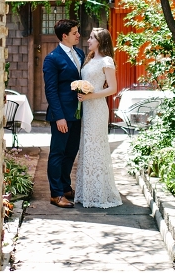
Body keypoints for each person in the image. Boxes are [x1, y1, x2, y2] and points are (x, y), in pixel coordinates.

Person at [74, 28, 122, 208]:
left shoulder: (106, 61)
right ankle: (88, 192)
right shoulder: (88, 59)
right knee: (86, 147)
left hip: (97, 108)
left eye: (92, 38)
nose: (88, 40)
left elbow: (112, 89)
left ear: (100, 41)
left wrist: (90, 96)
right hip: (86, 108)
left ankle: (100, 193)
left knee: (96, 147)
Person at [43, 19, 84, 208]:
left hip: (78, 112)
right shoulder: (52, 58)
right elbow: (50, 90)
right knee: (58, 153)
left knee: (71, 151)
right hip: (61, 115)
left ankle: (66, 187)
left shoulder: (81, 53)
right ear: (64, 36)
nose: (78, 35)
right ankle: (56, 193)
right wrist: (59, 117)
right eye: (75, 32)